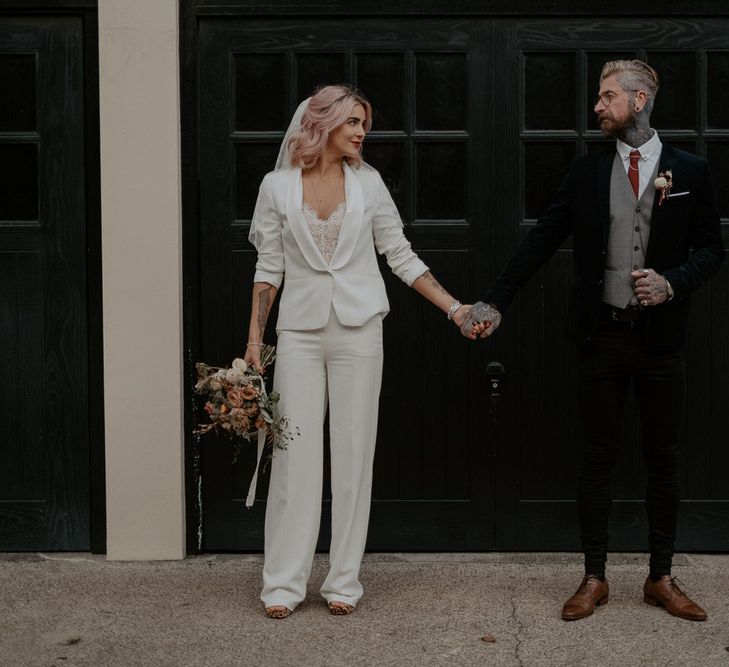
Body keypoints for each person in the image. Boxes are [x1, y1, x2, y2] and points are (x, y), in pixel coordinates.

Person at [462, 60, 724, 621]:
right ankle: (594, 576)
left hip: (661, 342)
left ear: (639, 100)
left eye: (608, 97)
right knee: (597, 457)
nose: (598, 106)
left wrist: (673, 282)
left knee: (664, 457)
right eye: (600, 97)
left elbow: (712, 250)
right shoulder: (586, 173)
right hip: (600, 335)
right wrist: (495, 301)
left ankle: (660, 576)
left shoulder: (691, 171)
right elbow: (541, 242)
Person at [244, 85, 475, 618]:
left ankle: (343, 580)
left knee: (353, 456)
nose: (361, 132)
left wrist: (455, 308)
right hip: (299, 333)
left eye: (364, 123)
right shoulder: (276, 187)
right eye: (353, 122)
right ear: (321, 123)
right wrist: (255, 339)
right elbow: (268, 268)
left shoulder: (369, 185)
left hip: (359, 332)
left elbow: (400, 254)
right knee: (292, 458)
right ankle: (282, 585)